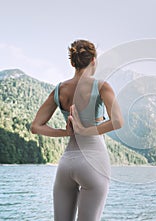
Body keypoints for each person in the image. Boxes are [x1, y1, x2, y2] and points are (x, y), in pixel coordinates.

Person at [31, 39, 124, 221]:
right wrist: (86, 130)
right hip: (94, 163)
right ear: (93, 61)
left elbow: (35, 126)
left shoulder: (60, 89)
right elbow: (118, 121)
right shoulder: (101, 86)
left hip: (67, 164)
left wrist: (66, 132)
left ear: (73, 63)